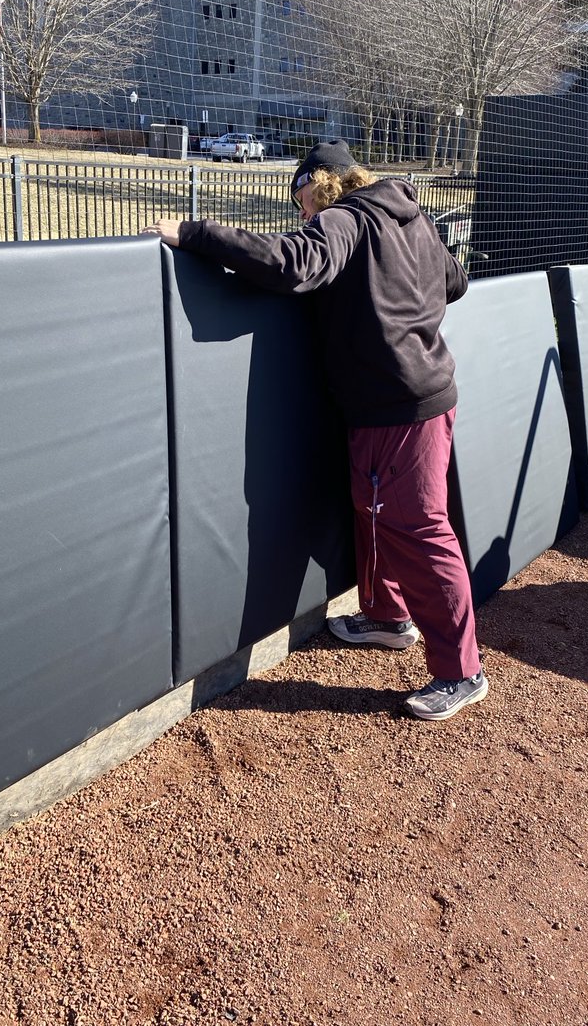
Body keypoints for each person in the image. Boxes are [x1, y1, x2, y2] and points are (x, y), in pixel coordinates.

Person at [142, 140, 487, 721]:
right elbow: (455, 282)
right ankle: (386, 616)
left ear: (319, 184)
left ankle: (462, 670)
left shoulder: (344, 218)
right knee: (373, 510)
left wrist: (195, 233)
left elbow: (292, 263)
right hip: (402, 396)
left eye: (301, 199)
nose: (301, 213)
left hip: (402, 401)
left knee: (420, 527)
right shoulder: (412, 215)